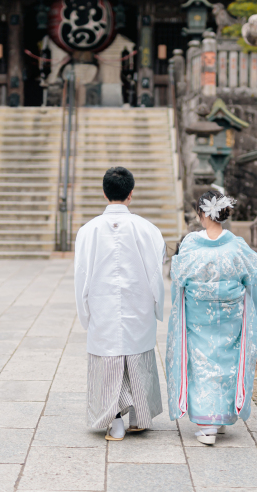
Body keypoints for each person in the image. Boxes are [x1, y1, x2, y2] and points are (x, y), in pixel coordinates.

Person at [74, 166, 167, 441]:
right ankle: (140, 415)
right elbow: (156, 270)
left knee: (109, 362)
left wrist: (84, 310)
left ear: (105, 193)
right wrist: (157, 303)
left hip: (102, 302)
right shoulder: (148, 229)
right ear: (131, 194)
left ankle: (114, 422)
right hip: (137, 301)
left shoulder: (87, 231)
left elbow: (81, 274)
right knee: (137, 357)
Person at [165, 190, 257, 445]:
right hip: (230, 314)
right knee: (227, 363)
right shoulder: (237, 244)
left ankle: (207, 424)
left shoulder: (190, 244)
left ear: (201, 214)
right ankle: (219, 417)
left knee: (201, 363)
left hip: (199, 313)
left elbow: (178, 277)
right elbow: (254, 274)